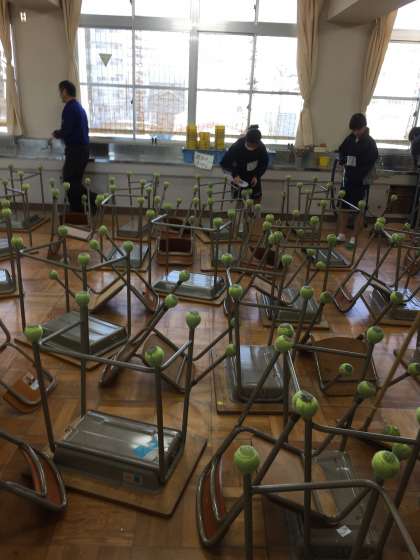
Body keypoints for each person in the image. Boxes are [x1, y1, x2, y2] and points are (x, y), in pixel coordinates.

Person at [337, 113, 378, 244]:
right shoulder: (350, 138)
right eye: (354, 130)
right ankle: (342, 234)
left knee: (358, 209)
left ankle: (354, 237)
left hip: (360, 181)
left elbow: (370, 162)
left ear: (364, 127)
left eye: (358, 129)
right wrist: (343, 160)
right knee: (343, 207)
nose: (356, 132)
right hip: (347, 179)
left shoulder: (370, 143)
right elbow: (341, 151)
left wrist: (356, 171)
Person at [52, 80, 92, 213]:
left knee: (69, 182)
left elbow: (67, 130)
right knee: (74, 182)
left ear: (64, 91)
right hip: (82, 150)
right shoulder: (79, 107)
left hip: (76, 151)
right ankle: (83, 209)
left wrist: (57, 133)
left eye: (60, 91)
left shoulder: (69, 109)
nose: (59, 95)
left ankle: (86, 206)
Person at [220, 127, 269, 202]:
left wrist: (257, 176)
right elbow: (225, 163)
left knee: (257, 198)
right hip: (239, 176)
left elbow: (264, 163)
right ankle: (240, 208)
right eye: (251, 145)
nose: (253, 147)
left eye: (255, 145)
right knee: (240, 200)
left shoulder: (261, 147)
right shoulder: (237, 147)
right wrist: (235, 175)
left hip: (253, 175)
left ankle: (254, 210)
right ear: (246, 140)